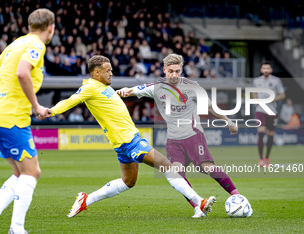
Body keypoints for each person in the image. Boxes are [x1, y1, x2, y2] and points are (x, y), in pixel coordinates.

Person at [39, 55, 216, 218]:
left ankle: (86, 200)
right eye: (108, 70)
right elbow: (71, 101)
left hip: (125, 142)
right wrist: (51, 111)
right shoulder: (89, 87)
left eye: (111, 70)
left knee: (128, 181)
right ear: (97, 72)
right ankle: (199, 202)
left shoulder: (103, 87)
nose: (111, 73)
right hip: (129, 141)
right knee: (168, 166)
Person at [116, 54, 252, 218]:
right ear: (165, 70)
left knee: (206, 167)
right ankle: (198, 207)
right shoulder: (156, 87)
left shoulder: (192, 86)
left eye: (177, 71)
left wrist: (229, 122)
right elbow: (133, 90)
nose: (174, 75)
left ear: (181, 70)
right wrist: (124, 91)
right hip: (173, 141)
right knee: (176, 175)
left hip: (193, 136)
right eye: (171, 71)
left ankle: (236, 196)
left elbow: (210, 107)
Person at [0, 9, 55, 234]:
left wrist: (5, 96)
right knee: (32, 172)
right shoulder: (36, 45)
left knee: (21, 173)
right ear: (50, 27)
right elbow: (22, 73)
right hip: (11, 117)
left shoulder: (15, 43)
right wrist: (35, 106)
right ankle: (16, 232)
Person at [252, 61, 285, 168]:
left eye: (268, 68)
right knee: (261, 133)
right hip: (260, 110)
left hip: (272, 111)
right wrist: (256, 100)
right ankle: (260, 159)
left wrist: (273, 99)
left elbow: (282, 95)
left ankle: (267, 157)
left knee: (270, 135)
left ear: (271, 70)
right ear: (261, 70)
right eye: (264, 68)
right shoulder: (256, 81)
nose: (266, 70)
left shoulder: (276, 81)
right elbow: (254, 92)